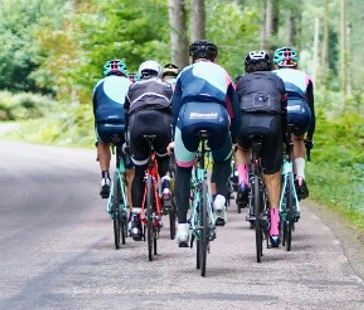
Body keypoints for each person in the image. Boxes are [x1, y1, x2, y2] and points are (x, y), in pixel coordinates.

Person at [170, 39, 239, 246]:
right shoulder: (223, 74)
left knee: (182, 170)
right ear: (214, 58)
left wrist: (176, 136)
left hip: (188, 121)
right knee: (223, 159)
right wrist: (233, 139)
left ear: (192, 58)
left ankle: (182, 227)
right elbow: (235, 112)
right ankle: (219, 199)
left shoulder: (183, 74)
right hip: (217, 120)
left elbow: (174, 109)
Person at [232, 50, 288, 247]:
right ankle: (274, 229)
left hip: (246, 122)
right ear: (270, 65)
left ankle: (243, 180)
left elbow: (234, 109)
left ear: (247, 67)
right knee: (272, 174)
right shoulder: (277, 80)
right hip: (271, 123)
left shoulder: (241, 83)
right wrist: (284, 138)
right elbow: (284, 109)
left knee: (242, 148)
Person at [123, 60, 174, 241]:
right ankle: (166, 184)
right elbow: (175, 112)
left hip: (138, 123)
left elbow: (126, 115)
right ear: (158, 72)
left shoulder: (132, 87)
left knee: (139, 172)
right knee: (163, 158)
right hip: (161, 122)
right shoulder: (168, 86)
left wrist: (126, 141)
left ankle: (136, 220)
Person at [273, 46, 314, 199]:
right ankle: (300, 177)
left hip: (279, 111)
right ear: (296, 65)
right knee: (298, 139)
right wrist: (309, 137)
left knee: (274, 139)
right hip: (300, 111)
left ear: (276, 65)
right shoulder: (305, 77)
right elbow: (312, 110)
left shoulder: (271, 76)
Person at [93, 58, 132, 199]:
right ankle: (133, 207)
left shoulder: (99, 85)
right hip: (125, 127)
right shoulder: (131, 84)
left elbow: (95, 111)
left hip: (104, 126)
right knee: (131, 167)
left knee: (102, 141)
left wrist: (97, 139)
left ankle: (105, 176)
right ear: (124, 73)